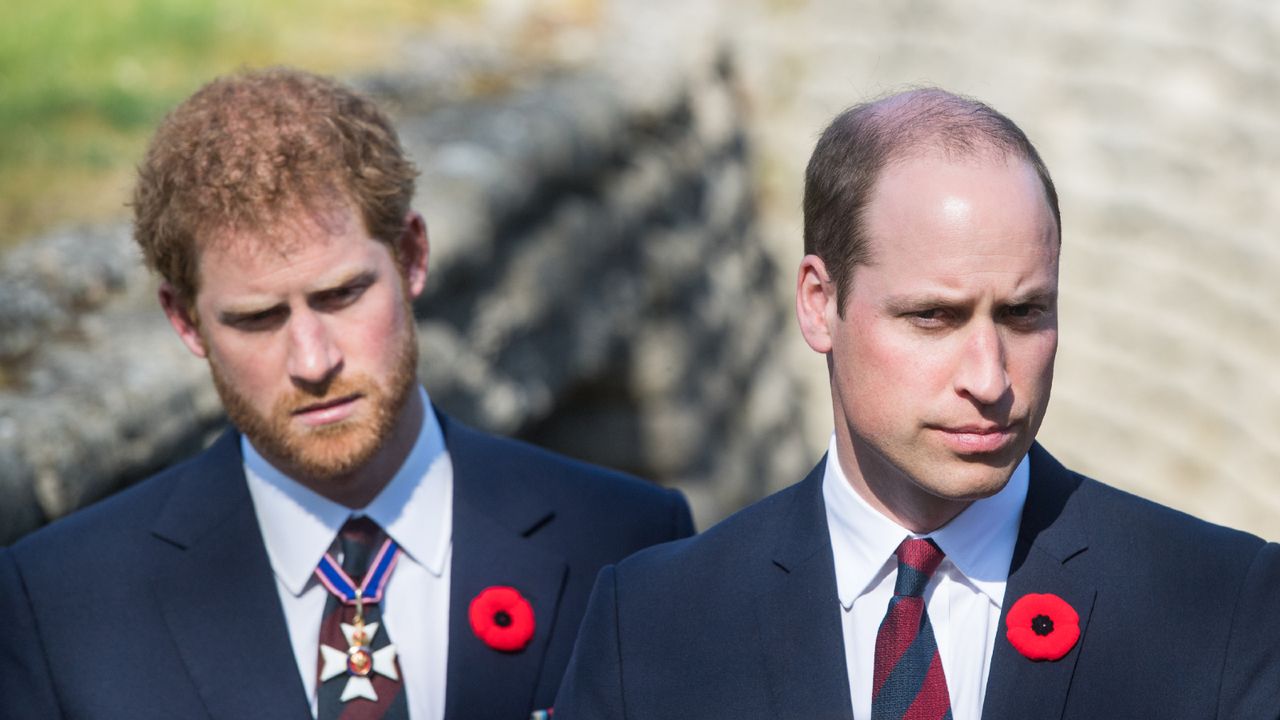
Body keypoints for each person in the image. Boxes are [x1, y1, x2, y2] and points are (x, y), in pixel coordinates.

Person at [553, 88, 1280, 719]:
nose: (990, 379)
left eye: (1025, 314)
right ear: (818, 303)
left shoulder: (1222, 607)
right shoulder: (651, 623)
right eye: (933, 317)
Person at [0, 67, 693, 720]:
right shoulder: (61, 603)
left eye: (342, 295)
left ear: (413, 257)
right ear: (185, 320)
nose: (313, 359)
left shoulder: (626, 541)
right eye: (257, 318)